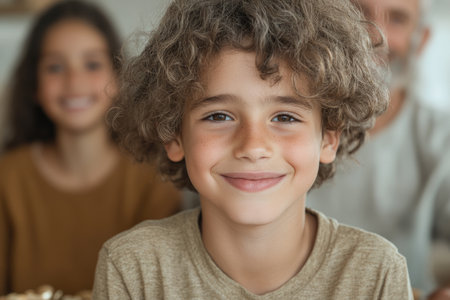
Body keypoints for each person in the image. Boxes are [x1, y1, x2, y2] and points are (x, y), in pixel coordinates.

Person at [92, 0, 414, 298]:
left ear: (329, 138)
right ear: (173, 134)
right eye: (219, 116)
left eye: (285, 117)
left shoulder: (376, 274)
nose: (253, 146)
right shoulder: (132, 268)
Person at [0, 0, 181, 295]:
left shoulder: (152, 181)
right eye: (55, 67)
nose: (74, 81)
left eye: (92, 64)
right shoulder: (7, 178)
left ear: (120, 77)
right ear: (34, 84)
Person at [307, 0, 450, 298]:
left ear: (420, 39)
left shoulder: (442, 138)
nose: (375, 36)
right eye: (356, 14)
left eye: (397, 19)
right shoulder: (273, 126)